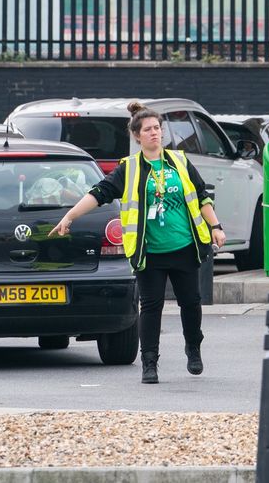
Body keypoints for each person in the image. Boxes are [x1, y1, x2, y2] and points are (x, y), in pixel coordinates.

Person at [49, 102, 226, 385]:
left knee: (191, 303)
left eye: (157, 128)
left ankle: (193, 347)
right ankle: (149, 362)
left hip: (184, 246)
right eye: (148, 129)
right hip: (150, 251)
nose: (154, 133)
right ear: (137, 136)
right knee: (151, 307)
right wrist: (70, 216)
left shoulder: (179, 161)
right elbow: (99, 193)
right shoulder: (129, 168)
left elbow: (202, 195)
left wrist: (215, 226)